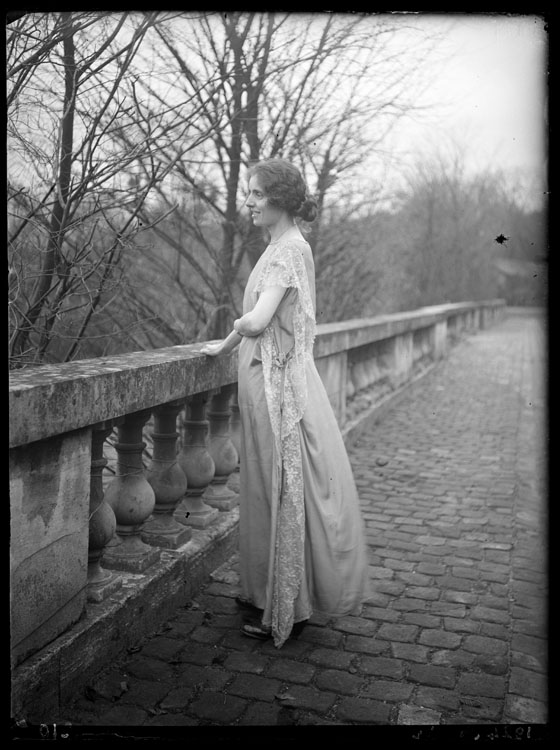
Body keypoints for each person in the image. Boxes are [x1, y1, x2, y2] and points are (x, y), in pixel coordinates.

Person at [200, 158, 369, 648]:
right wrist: (225, 348)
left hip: (275, 383)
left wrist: (228, 337)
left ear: (277, 200)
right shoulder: (283, 246)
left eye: (255, 195)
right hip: (264, 376)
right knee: (263, 486)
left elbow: (258, 320)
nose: (247, 202)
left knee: (279, 489)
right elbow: (259, 321)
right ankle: (265, 591)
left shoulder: (287, 251)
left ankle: (287, 609)